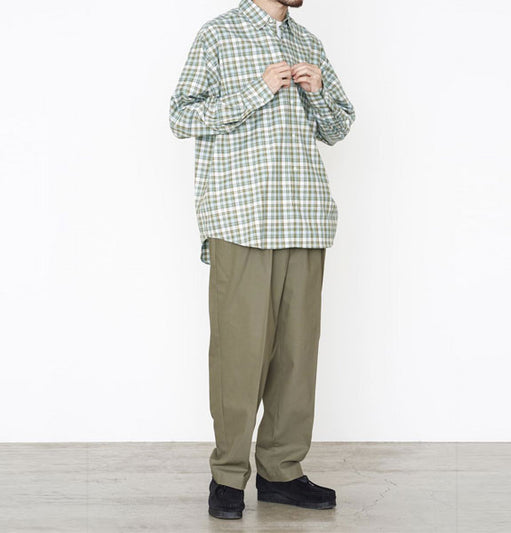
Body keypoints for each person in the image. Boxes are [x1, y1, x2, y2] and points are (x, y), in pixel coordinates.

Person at [169, 0, 355, 520]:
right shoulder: (218, 35)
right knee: (240, 353)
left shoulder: (308, 41)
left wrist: (318, 91)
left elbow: (338, 127)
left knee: (297, 355)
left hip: (304, 216)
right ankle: (228, 476)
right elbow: (180, 115)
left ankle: (282, 472)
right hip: (242, 218)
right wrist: (258, 88)